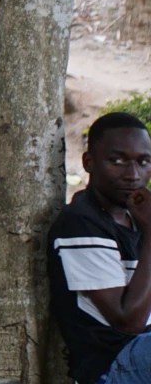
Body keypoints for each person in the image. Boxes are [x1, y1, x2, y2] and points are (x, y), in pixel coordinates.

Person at [49, 111, 151, 384]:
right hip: (113, 365)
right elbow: (128, 322)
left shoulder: (139, 218)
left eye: (144, 162)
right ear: (89, 162)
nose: (133, 175)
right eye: (117, 161)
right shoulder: (81, 222)